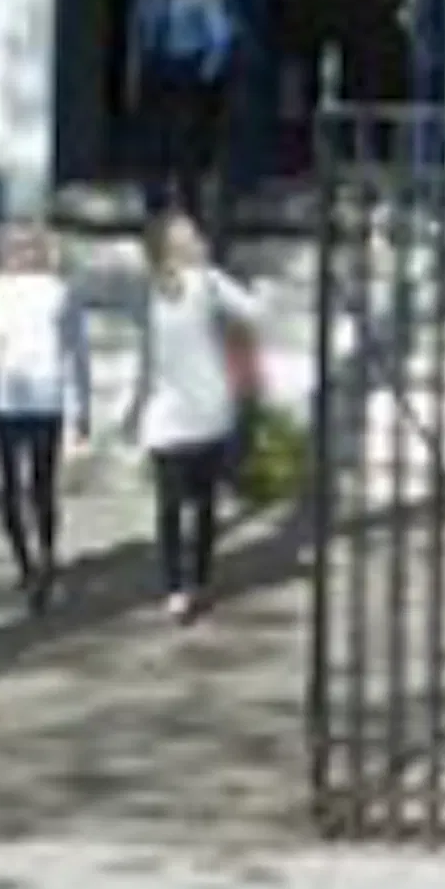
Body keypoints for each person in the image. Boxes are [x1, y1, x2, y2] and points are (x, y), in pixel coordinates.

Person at [120, 211, 262, 624]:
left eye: (194, 234)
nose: (196, 240)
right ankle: (175, 586)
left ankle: (196, 578)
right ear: (165, 245)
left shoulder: (210, 282)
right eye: (185, 236)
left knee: (202, 502)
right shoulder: (149, 289)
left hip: (207, 407)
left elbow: (252, 312)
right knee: (170, 504)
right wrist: (136, 404)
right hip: (167, 410)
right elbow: (147, 353)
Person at [0, 223, 92, 613]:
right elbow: (76, 355)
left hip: (16, 400)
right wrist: (81, 408)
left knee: (16, 486)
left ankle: (30, 563)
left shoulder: (6, 294)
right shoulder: (55, 292)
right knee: (39, 485)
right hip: (38, 399)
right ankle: (41, 557)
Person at [124, 0, 239, 237]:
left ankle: (191, 214)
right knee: (153, 148)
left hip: (187, 74)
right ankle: (154, 213)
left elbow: (221, 37)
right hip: (155, 74)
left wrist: (207, 75)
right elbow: (137, 40)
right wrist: (133, 79)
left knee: (186, 147)